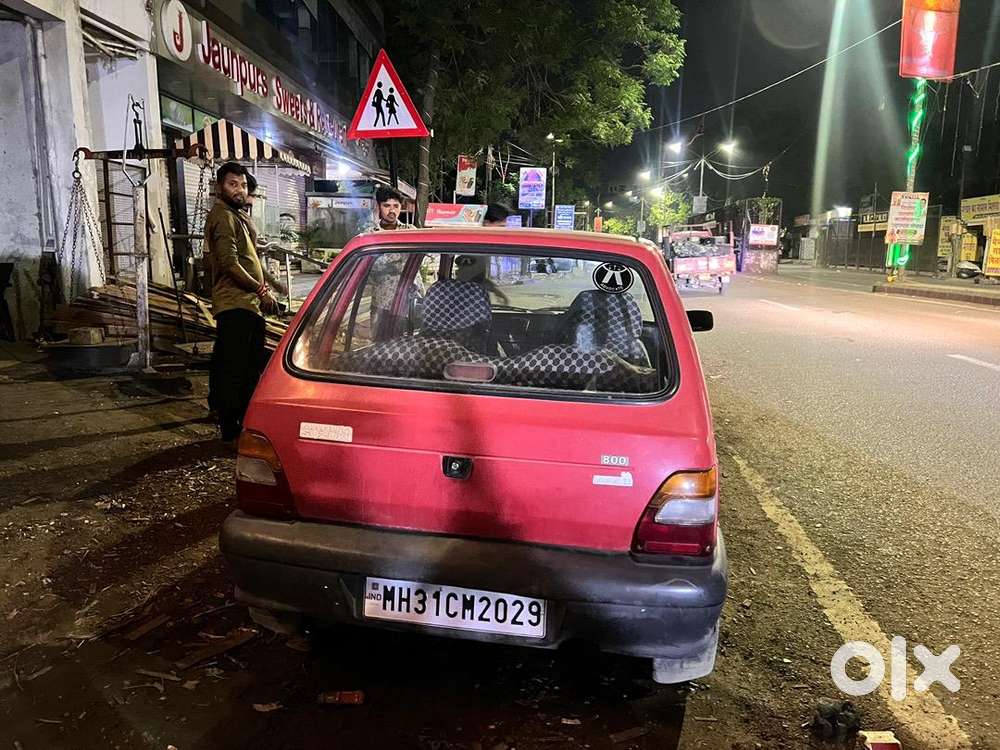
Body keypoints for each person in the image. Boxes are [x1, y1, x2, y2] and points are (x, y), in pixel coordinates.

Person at [203, 162, 279, 442]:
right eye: (233, 184)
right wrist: (261, 290)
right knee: (235, 368)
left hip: (247, 304)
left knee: (247, 366)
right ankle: (231, 426)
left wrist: (271, 284)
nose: (239, 189)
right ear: (220, 186)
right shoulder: (223, 216)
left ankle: (242, 418)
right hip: (236, 305)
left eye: (243, 185)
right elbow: (229, 263)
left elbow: (248, 257)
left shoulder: (236, 216)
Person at [368, 185, 414, 338]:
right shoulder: (370, 235)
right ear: (378, 207)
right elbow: (371, 268)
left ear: (401, 207)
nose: (392, 210)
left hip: (409, 304)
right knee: (380, 347)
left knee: (409, 349)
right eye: (386, 205)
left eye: (396, 206)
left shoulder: (411, 232)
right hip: (382, 304)